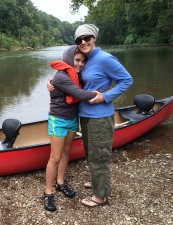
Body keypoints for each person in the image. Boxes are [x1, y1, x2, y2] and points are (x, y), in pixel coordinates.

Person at [48, 24, 133, 208]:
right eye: (79, 40)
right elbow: (71, 80)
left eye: (87, 38)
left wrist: (105, 96)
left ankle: (100, 196)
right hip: (84, 115)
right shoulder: (85, 59)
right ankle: (97, 182)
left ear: (94, 38)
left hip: (100, 117)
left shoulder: (105, 59)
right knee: (91, 153)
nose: (84, 42)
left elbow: (127, 80)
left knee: (99, 155)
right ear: (76, 44)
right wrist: (52, 82)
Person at [44, 45, 97, 212]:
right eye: (77, 60)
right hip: (58, 120)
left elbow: (79, 89)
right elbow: (79, 94)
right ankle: (48, 192)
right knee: (55, 157)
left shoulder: (77, 76)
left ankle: (60, 182)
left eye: (82, 61)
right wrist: (102, 94)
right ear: (68, 59)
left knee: (66, 152)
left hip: (73, 119)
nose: (80, 64)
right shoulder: (60, 77)